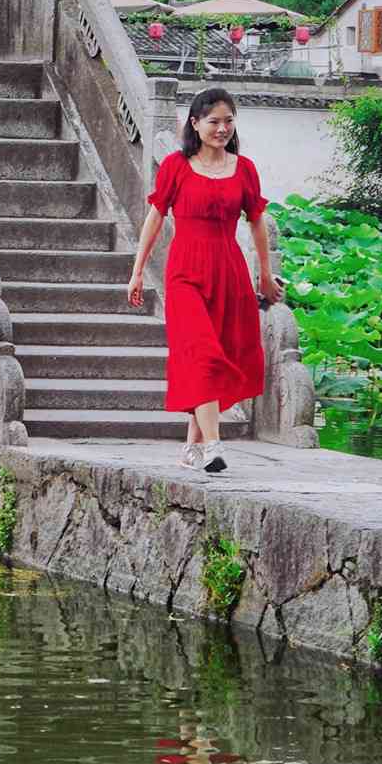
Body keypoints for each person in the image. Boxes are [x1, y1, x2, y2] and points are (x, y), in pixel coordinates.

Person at [126, 87, 281, 475]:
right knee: (201, 353)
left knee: (218, 355)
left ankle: (193, 445)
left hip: (228, 271)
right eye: (213, 121)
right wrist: (138, 269)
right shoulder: (177, 167)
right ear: (195, 124)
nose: (222, 128)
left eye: (228, 121)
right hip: (184, 273)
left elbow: (257, 222)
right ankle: (213, 445)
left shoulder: (243, 169)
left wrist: (263, 273)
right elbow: (155, 218)